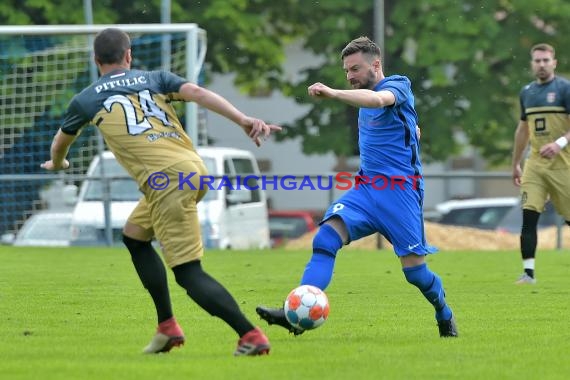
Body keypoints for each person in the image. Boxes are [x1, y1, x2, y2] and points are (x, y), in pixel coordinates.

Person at [40, 28, 281, 356]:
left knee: (188, 273)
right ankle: (167, 326)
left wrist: (58, 164)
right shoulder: (153, 78)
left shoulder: (87, 99)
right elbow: (196, 91)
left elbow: (61, 142)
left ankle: (250, 335)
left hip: (167, 182)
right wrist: (242, 119)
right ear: (128, 56)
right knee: (134, 237)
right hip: (192, 169)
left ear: (96, 60)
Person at [256, 36, 458, 338]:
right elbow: (395, 125)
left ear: (376, 65)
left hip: (400, 194)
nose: (350, 77)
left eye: (355, 69)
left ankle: (444, 312)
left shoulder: (398, 85)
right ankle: (294, 312)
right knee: (325, 239)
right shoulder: (362, 96)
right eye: (346, 72)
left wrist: (332, 92)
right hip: (365, 191)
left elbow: (379, 100)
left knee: (415, 273)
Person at [511, 43, 570, 285]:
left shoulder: (565, 88)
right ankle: (528, 273)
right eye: (538, 60)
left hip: (562, 163)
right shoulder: (527, 92)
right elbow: (523, 129)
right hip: (534, 163)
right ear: (532, 64)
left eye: (546, 60)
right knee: (529, 215)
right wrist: (516, 162)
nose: (542, 64)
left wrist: (560, 143)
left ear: (554, 63)